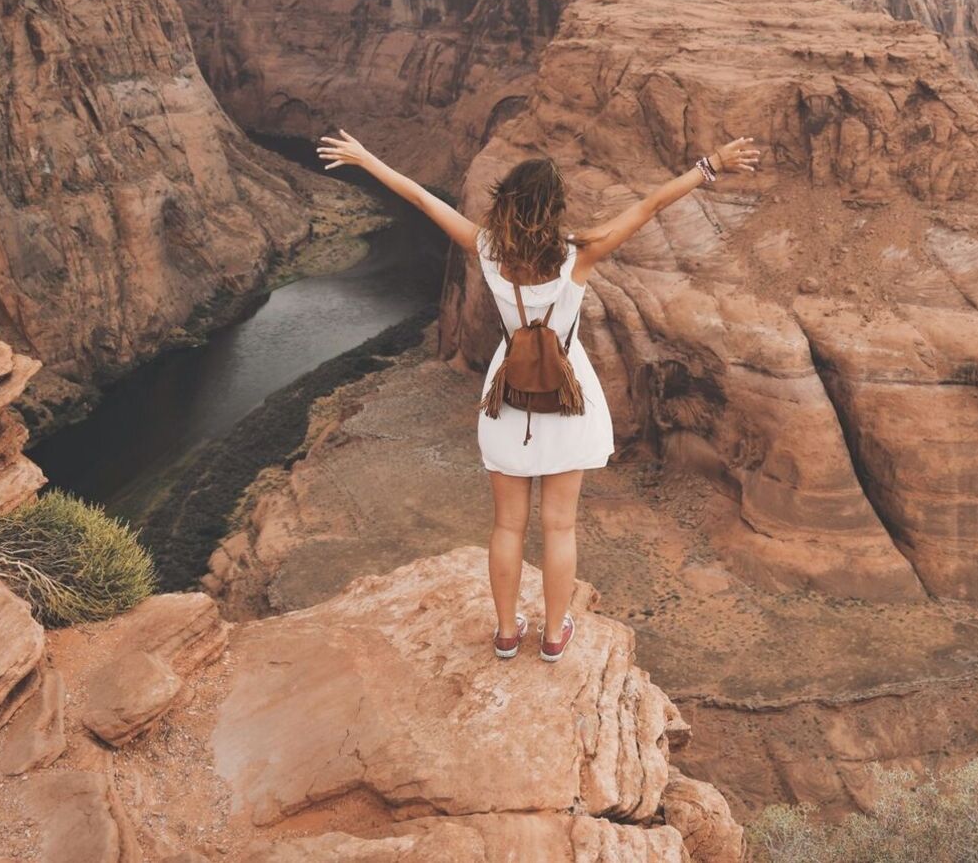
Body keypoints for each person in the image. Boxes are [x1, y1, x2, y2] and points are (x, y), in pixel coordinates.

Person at [315, 130, 762, 661]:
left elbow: (418, 196)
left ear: (506, 203)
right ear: (554, 209)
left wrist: (367, 157)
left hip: (508, 405)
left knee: (507, 524)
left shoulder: (487, 249)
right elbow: (652, 205)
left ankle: (506, 634)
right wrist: (711, 164)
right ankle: (553, 637)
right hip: (568, 406)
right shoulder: (580, 254)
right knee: (559, 526)